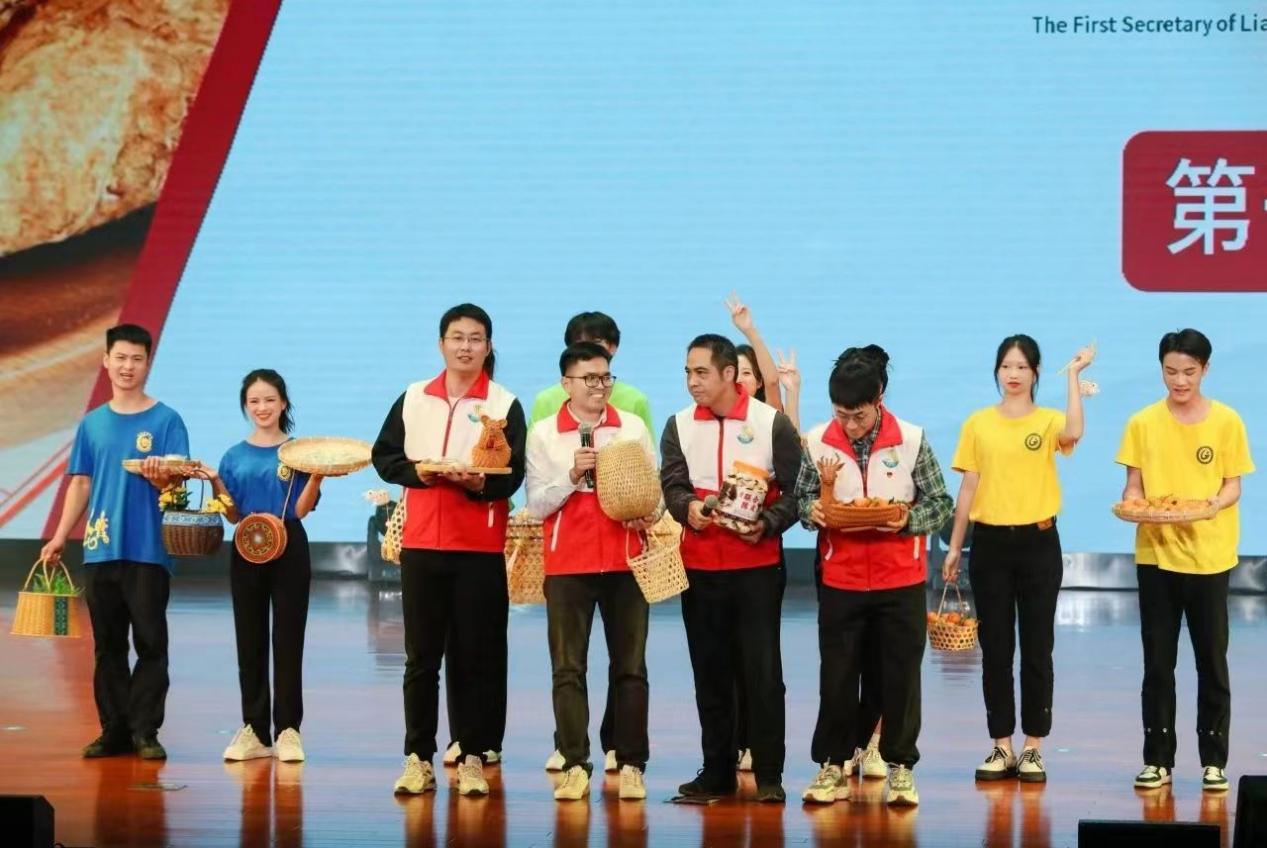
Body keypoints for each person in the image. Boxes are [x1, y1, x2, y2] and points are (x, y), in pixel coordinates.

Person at [372, 303, 527, 797]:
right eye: (457, 337)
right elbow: (384, 457)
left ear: (488, 346)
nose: (465, 346)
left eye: (475, 338)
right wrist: (419, 472)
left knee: (474, 658)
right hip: (421, 544)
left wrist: (479, 484)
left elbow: (513, 476)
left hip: (479, 546)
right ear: (441, 344)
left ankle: (473, 756)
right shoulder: (414, 397)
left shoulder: (504, 403)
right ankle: (418, 758)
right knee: (421, 659)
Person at [795, 346, 953, 806]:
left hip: (899, 579)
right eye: (841, 414)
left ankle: (901, 767)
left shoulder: (911, 440)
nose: (849, 425)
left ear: (879, 398)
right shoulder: (817, 441)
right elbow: (802, 498)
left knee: (899, 678)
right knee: (838, 677)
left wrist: (906, 519)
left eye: (859, 416)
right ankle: (832, 765)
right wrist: (812, 511)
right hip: (841, 579)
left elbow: (940, 503)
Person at [943, 335, 1093, 783]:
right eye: (1006, 366)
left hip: (1039, 544)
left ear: (1035, 373)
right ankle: (1001, 744)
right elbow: (968, 487)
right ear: (997, 371)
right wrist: (955, 545)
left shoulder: (1047, 422)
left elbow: (1074, 431)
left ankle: (1033, 747)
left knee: (1037, 647)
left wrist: (1073, 377)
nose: (1013, 374)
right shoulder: (978, 423)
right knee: (996, 649)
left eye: (1022, 367)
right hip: (989, 545)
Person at [660, 333, 802, 803]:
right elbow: (672, 486)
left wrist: (767, 523)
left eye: (701, 372)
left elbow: (797, 492)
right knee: (710, 673)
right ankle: (717, 772)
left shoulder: (770, 423)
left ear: (728, 373)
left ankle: (769, 775)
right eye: (687, 372)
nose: (692, 381)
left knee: (763, 673)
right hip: (700, 568)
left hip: (756, 568)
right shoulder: (678, 425)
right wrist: (688, 509)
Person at [40, 324, 190, 761]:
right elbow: (80, 483)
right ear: (106, 361)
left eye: (136, 359)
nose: (128, 366)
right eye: (120, 357)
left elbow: (180, 487)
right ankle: (113, 731)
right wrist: (59, 535)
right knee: (107, 646)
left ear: (147, 363)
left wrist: (163, 478)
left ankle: (145, 731)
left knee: (150, 642)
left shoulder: (166, 420)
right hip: (101, 547)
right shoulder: (92, 424)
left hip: (149, 549)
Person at [1116, 329, 1253, 793]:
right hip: (1155, 556)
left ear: (1205, 370)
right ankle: (1157, 759)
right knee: (1158, 662)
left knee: (1211, 661)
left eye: (1189, 372)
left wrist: (1212, 505)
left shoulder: (1227, 421)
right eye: (1171, 371)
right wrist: (1133, 502)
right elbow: (1134, 486)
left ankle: (1214, 761)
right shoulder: (1142, 423)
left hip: (1210, 557)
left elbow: (1233, 485)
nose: (1179, 381)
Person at [525, 342, 659, 802]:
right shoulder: (544, 433)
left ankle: (632, 764)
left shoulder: (632, 427)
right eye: (590, 378)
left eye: (606, 377)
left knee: (631, 668)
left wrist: (651, 511)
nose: (600, 386)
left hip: (626, 560)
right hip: (568, 564)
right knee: (568, 669)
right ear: (566, 383)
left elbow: (655, 492)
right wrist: (570, 476)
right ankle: (575, 764)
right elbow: (536, 504)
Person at [200, 369, 324, 763]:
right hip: (247, 546)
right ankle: (254, 730)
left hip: (290, 545)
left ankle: (288, 730)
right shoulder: (233, 456)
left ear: (283, 403)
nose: (262, 407)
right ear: (245, 406)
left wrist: (317, 476)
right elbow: (232, 515)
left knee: (288, 639)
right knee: (249, 639)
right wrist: (216, 481)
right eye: (254, 401)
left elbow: (301, 509)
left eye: (269, 400)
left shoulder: (298, 452)